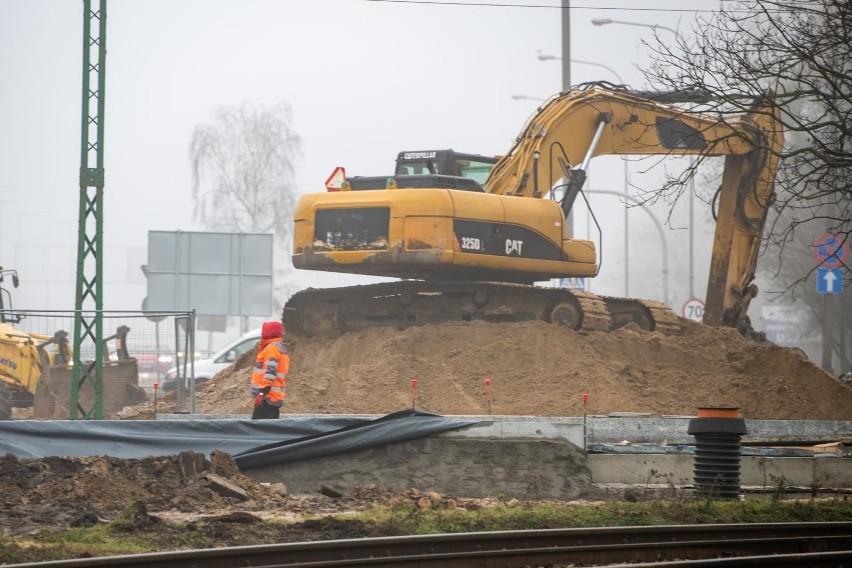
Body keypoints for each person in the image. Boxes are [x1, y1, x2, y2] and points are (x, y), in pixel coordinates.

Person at [250, 321, 289, 419]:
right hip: (272, 398)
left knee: (258, 429)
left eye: (264, 332)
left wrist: (262, 393)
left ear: (269, 333)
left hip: (267, 398)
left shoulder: (272, 348)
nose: (261, 335)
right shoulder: (277, 347)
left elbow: (270, 372)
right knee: (271, 429)